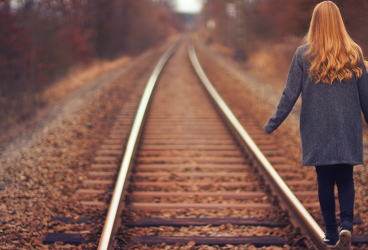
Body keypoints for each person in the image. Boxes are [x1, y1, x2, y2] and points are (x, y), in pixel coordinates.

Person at [263, 1, 368, 249]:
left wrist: (273, 123)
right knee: (346, 178)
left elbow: (289, 94)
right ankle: (346, 226)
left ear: (316, 22)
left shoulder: (304, 54)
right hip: (347, 129)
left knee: (324, 179)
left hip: (317, 129)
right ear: (339, 22)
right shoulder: (355, 53)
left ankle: (331, 234)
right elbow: (366, 98)